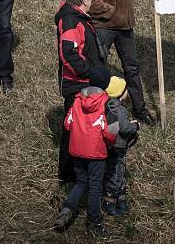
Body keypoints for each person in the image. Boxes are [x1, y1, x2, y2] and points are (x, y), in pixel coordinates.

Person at [78, 0, 156, 125]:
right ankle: (101, 112)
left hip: (125, 27)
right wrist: (111, 11)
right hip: (103, 26)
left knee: (132, 69)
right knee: (100, 70)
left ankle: (140, 110)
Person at [55, 0, 111, 182]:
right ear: (84, 0)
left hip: (84, 81)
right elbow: (68, 54)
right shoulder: (71, 20)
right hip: (77, 84)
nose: (92, 0)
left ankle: (83, 171)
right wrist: (91, 73)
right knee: (71, 130)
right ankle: (68, 174)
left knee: (83, 129)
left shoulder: (77, 17)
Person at [53, 72, 115, 238]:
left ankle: (67, 211)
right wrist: (110, 144)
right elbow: (112, 131)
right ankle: (94, 222)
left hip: (77, 150)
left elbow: (67, 124)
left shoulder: (77, 100)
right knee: (95, 187)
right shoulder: (108, 103)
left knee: (81, 181)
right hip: (96, 152)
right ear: (106, 84)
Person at [102, 76, 140, 217]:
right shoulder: (120, 109)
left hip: (110, 145)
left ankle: (120, 198)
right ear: (120, 93)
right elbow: (124, 128)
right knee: (117, 172)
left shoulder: (107, 105)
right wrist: (135, 125)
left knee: (115, 170)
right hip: (118, 146)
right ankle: (110, 201)